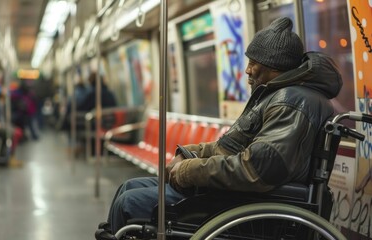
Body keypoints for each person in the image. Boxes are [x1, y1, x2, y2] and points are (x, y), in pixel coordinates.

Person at [95, 17, 343, 238]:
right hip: (239, 192)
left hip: (251, 200)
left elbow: (258, 169)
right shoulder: (277, 96)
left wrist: (188, 171)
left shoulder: (290, 102)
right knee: (129, 186)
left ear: (274, 66)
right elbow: (231, 146)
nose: (248, 70)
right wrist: (193, 152)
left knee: (130, 202)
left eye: (254, 63)